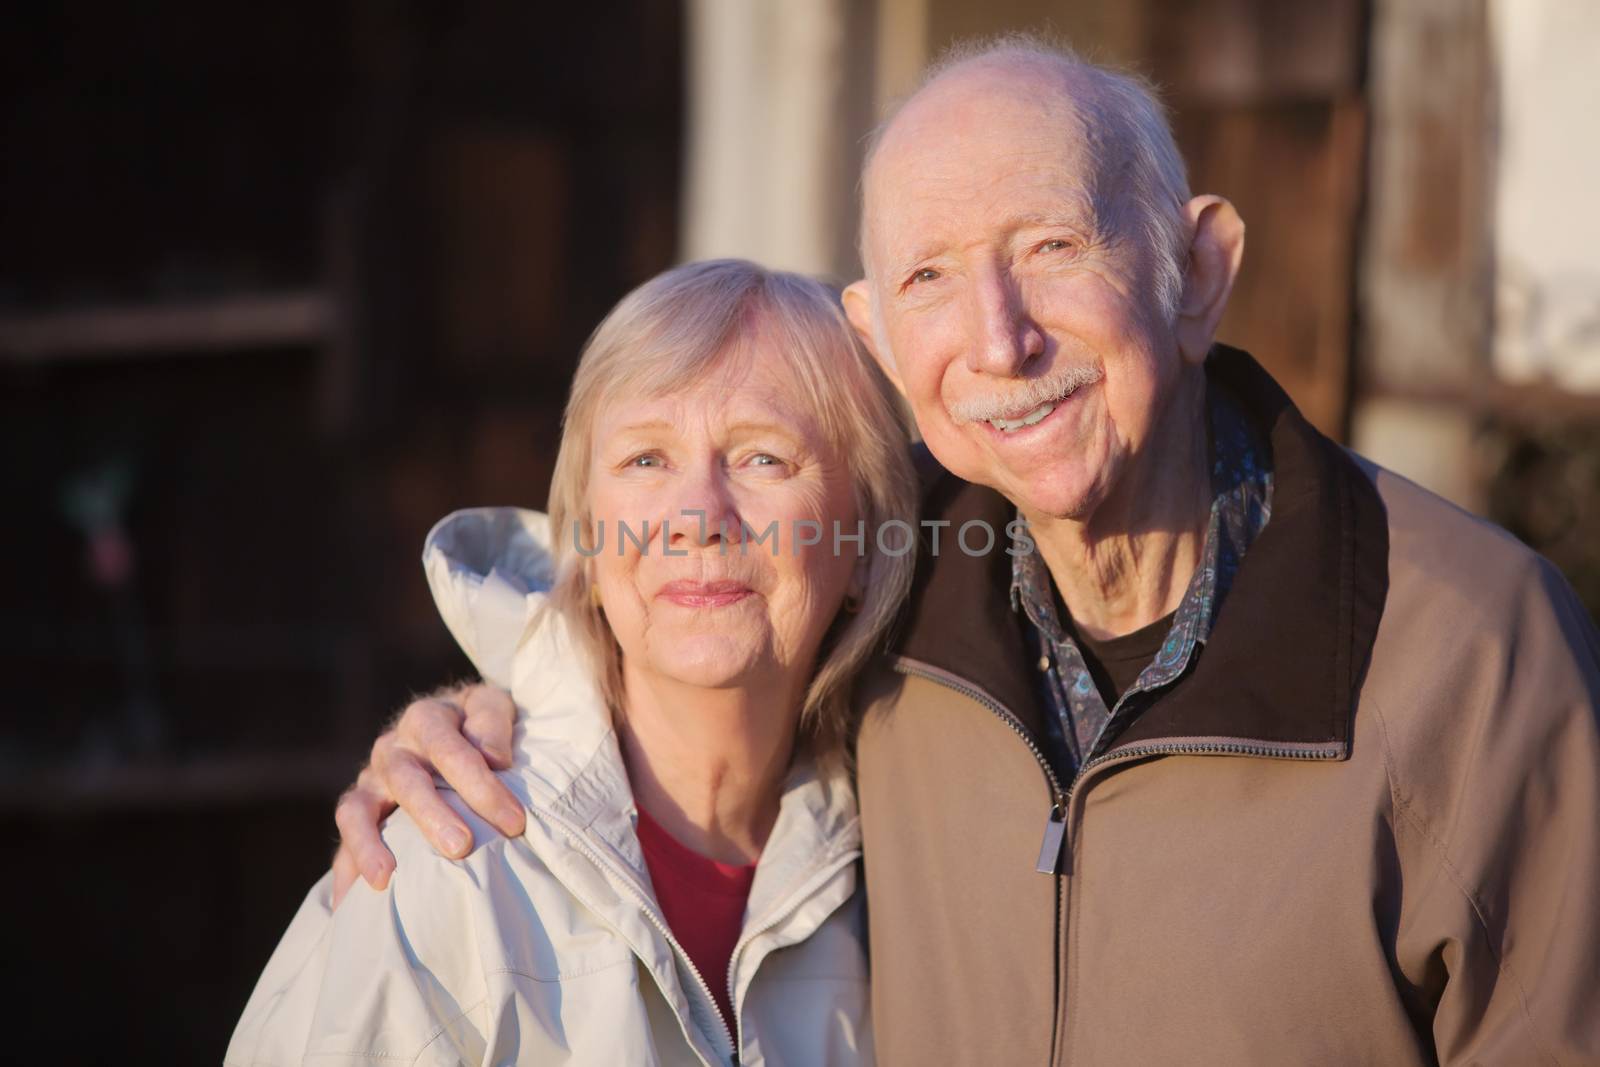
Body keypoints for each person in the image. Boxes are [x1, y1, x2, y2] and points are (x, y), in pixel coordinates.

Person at [331, 36, 1600, 1064]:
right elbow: (689, 626)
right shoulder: (887, 598)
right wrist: (482, 716)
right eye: (932, 276)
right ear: (879, 338)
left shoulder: (1467, 645)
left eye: (1052, 247)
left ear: (1197, 271)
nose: (998, 341)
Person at [228, 259, 916, 1065]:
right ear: (587, 537)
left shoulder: (899, 876)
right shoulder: (450, 873)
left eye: (763, 457)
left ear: (867, 541)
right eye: (645, 460)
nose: (697, 517)